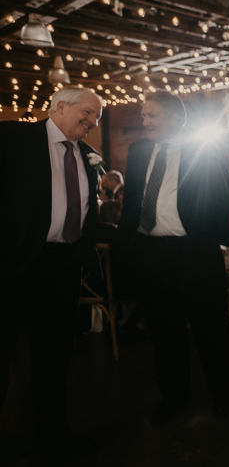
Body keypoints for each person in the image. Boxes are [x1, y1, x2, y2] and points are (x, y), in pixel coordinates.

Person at [117, 90, 229, 424]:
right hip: (150, 253)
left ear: (174, 117)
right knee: (163, 330)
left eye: (151, 115)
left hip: (194, 252)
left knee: (210, 328)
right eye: (143, 116)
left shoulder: (205, 151)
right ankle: (174, 395)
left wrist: (220, 244)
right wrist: (128, 245)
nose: (144, 122)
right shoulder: (139, 151)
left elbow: (226, 197)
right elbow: (132, 201)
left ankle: (223, 393)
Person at [0, 86, 103, 464]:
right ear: (60, 105)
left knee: (55, 358)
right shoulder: (13, 137)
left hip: (62, 268)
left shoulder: (89, 156)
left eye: (97, 118)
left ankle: (53, 435)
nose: (93, 122)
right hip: (12, 266)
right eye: (88, 113)